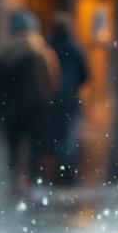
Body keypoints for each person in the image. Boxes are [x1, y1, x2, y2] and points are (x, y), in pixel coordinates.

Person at [0, 11, 58, 197]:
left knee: (13, 146)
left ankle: (14, 182)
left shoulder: (3, 52)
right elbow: (52, 81)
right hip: (36, 106)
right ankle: (32, 182)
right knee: (35, 146)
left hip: (11, 106)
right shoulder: (43, 51)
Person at [46, 13, 90, 185]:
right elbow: (84, 75)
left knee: (54, 134)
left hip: (51, 98)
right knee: (68, 137)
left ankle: (52, 172)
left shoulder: (47, 46)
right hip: (70, 98)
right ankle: (66, 174)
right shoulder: (75, 48)